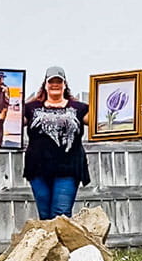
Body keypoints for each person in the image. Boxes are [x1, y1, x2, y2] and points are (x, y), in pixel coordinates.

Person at [22, 66, 91, 220]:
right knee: (45, 217)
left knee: (61, 215)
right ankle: (49, 245)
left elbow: (103, 123)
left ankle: (61, 244)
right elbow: (8, 121)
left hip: (68, 169)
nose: (55, 84)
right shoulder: (31, 108)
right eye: (51, 81)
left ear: (64, 84)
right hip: (38, 170)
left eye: (58, 81)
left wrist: (135, 114)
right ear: (45, 85)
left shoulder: (79, 108)